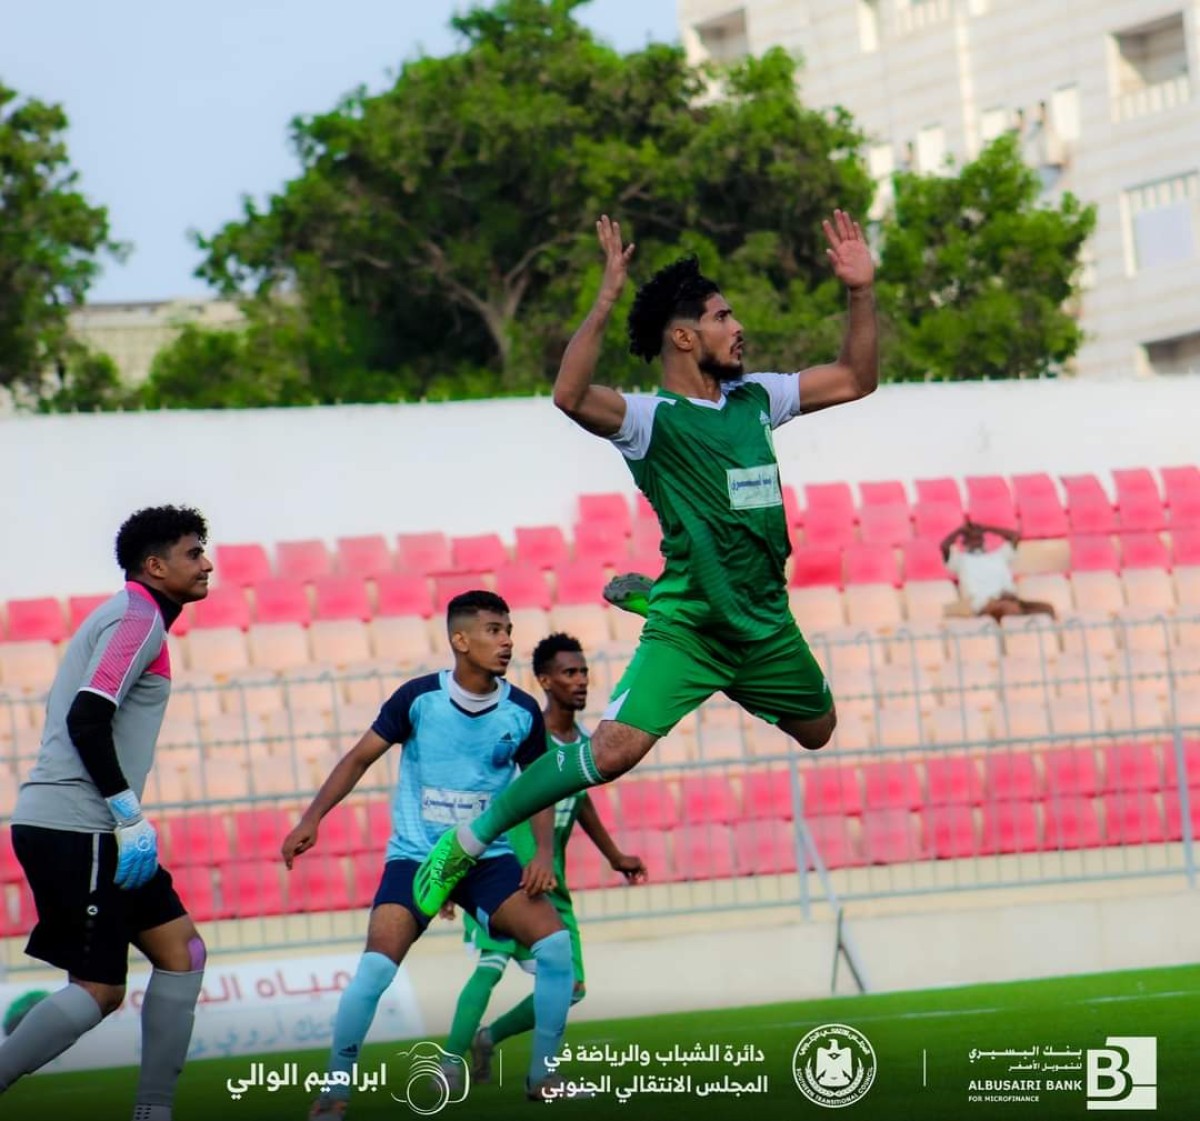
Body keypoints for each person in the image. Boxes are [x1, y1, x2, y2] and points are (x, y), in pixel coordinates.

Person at [412, 208, 878, 918]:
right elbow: (567, 396)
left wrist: (860, 291)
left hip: (763, 625)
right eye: (724, 317)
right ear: (685, 336)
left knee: (820, 730)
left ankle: (673, 619)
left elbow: (855, 378)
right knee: (614, 749)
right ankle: (466, 841)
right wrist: (604, 297)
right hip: (692, 625)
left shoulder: (757, 399)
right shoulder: (650, 419)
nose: (738, 327)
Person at [281, 591, 578, 1116]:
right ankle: (334, 1089)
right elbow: (357, 759)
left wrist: (542, 855)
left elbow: (541, 785)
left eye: (508, 629)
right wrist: (312, 818)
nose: (506, 640)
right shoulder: (418, 699)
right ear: (459, 640)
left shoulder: (521, 710)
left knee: (555, 949)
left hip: (487, 861)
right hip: (417, 857)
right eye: (493, 630)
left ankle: (543, 1074)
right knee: (375, 969)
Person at [1, 506, 213, 1121]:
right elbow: (87, 717)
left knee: (183, 953)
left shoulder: (137, 616)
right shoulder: (136, 618)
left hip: (92, 827)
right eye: (192, 553)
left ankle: (154, 1111)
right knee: (98, 991)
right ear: (154, 566)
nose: (206, 562)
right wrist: (126, 813)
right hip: (79, 824)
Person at [441, 633, 647, 1082]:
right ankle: (448, 1067)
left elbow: (578, 798)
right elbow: (476, 795)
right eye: (569, 673)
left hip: (553, 880)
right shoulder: (519, 736)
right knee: (491, 965)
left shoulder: (587, 743)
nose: (580, 680)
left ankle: (489, 1038)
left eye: (583, 671)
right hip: (506, 869)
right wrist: (454, 870)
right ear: (545, 680)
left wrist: (614, 855)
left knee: (572, 986)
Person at [940, 518, 1057, 622]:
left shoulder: (998, 555)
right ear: (964, 542)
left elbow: (1015, 536)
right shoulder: (961, 560)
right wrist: (961, 530)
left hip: (1010, 599)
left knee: (1047, 609)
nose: (975, 540)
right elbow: (944, 546)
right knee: (1010, 609)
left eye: (978, 538)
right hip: (983, 604)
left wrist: (987, 528)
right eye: (971, 538)